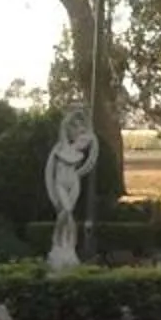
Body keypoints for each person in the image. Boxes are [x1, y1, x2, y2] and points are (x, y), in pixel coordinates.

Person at [44, 104, 99, 271]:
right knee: (65, 210)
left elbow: (90, 159)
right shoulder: (63, 146)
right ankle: (57, 240)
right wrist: (76, 113)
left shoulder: (80, 154)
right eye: (83, 140)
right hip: (60, 183)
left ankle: (69, 245)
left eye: (86, 143)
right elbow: (63, 126)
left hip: (74, 182)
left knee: (70, 214)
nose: (84, 144)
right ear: (76, 138)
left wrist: (87, 120)